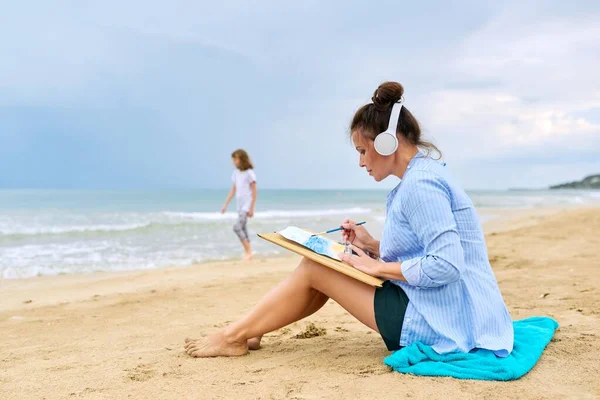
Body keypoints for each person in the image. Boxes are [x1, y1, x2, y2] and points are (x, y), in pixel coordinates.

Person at [185, 81, 514, 358]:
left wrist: (378, 268)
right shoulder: (421, 177)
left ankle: (233, 337)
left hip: (440, 322)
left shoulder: (420, 186)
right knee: (322, 266)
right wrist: (370, 245)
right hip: (452, 310)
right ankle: (250, 330)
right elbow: (428, 251)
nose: (360, 162)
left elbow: (447, 264)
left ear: (387, 142)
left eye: (361, 151)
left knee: (315, 267)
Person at [221, 149, 257, 261]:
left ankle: (248, 251)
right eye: (233, 160)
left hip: (246, 206)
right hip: (239, 206)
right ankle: (249, 252)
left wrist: (251, 208)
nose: (233, 162)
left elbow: (254, 191)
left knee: (237, 227)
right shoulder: (236, 173)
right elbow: (233, 190)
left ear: (241, 159)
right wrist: (225, 205)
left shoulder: (249, 173)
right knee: (243, 228)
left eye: (235, 159)